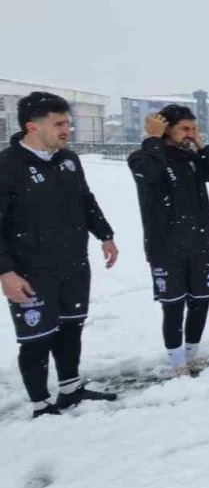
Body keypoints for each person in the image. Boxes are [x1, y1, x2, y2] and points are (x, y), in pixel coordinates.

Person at [1, 92, 119, 417]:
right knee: (37, 339)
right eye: (59, 124)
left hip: (73, 265)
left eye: (68, 122)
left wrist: (105, 234)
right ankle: (41, 404)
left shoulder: (69, 160)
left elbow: (86, 200)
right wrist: (6, 273)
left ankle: (70, 388)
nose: (67, 129)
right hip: (31, 272)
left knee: (70, 329)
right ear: (32, 127)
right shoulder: (8, 165)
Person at [128, 104, 209, 375]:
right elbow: (149, 174)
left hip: (199, 243)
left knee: (201, 302)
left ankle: (191, 355)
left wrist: (201, 145)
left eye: (194, 128)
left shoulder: (192, 157)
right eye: (184, 129)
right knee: (173, 307)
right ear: (164, 130)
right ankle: (176, 363)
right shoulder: (143, 157)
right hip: (166, 247)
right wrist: (152, 139)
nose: (190, 133)